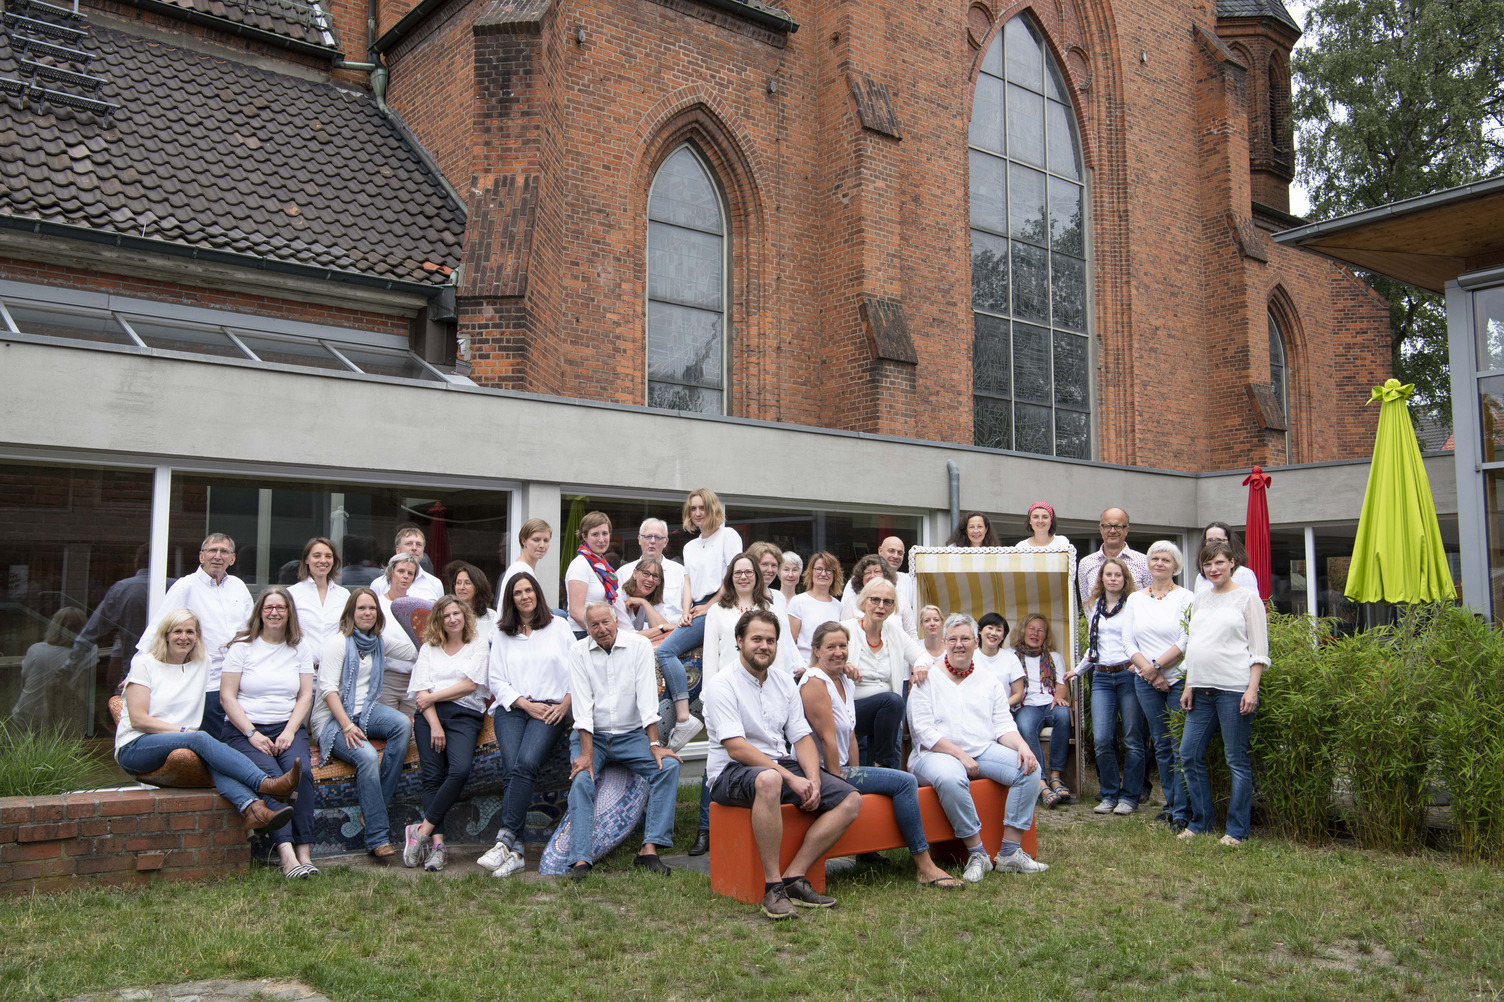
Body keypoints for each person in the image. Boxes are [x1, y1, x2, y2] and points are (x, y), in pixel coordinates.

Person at [703, 609, 863, 919]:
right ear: (739, 641)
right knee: (769, 780)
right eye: (756, 639)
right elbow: (736, 747)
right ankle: (772, 888)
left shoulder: (784, 681)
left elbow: (801, 736)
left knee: (850, 799)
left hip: (778, 765)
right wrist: (791, 779)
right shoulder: (721, 684)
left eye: (770, 640)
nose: (764, 646)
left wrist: (814, 780)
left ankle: (794, 877)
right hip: (729, 773)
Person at [799, 622, 962, 888]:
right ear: (816, 650)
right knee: (904, 781)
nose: (839, 652)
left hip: (841, 768)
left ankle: (881, 851)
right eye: (831, 647)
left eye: (843, 646)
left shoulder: (842, 679)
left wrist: (855, 771)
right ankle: (924, 866)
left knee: (896, 779)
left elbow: (850, 735)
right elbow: (827, 739)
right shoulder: (815, 682)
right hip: (822, 770)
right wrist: (841, 782)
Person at [117, 610, 301, 833]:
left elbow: (237, 664)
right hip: (136, 747)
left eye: (190, 632)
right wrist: (183, 731)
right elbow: (138, 720)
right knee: (201, 738)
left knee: (214, 759)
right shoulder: (145, 664)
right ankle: (267, 785)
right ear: (166, 635)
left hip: (182, 744)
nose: (183, 637)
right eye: (177, 631)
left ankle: (253, 810)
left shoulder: (202, 663)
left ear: (197, 637)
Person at [906, 613, 1049, 881]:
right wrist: (960, 756)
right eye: (953, 639)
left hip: (981, 750)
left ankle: (1009, 853)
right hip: (934, 754)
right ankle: (978, 853)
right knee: (951, 776)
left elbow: (1003, 725)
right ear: (945, 642)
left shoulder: (988, 679)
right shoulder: (926, 678)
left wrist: (1023, 747)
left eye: (965, 639)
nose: (959, 644)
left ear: (975, 642)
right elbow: (923, 732)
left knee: (1030, 769)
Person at [563, 602, 683, 880]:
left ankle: (649, 850)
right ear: (587, 628)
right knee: (582, 779)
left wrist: (654, 745)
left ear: (616, 620)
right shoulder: (578, 652)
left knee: (668, 767)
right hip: (593, 735)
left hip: (630, 735)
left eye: (606, 622)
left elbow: (647, 698)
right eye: (594, 625)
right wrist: (586, 754)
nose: (602, 629)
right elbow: (582, 707)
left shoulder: (638, 647)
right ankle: (581, 860)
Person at [481, 570, 576, 877]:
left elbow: (579, 668)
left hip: (550, 709)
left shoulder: (558, 627)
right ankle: (516, 850)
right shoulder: (502, 633)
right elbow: (495, 678)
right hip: (513, 707)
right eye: (517, 593)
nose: (524, 597)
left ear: (537, 593)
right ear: (511, 600)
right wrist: (524, 704)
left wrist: (565, 702)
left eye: (528, 591)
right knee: (512, 769)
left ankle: (505, 838)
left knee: (525, 763)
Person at [219, 586, 318, 877]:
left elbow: (305, 696)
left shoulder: (301, 647)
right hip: (244, 731)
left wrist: (289, 731)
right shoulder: (242, 647)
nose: (274, 613)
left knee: (303, 775)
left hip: (287, 728)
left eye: (281, 608)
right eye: (269, 608)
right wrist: (252, 733)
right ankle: (287, 856)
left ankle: (305, 853)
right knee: (274, 779)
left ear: (289, 614)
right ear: (260, 612)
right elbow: (227, 697)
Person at [312, 587, 417, 859]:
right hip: (333, 719)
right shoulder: (338, 642)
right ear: (351, 613)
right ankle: (377, 836)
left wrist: (425, 621)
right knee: (368, 755)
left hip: (367, 712)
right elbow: (327, 690)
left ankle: (374, 805)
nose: (367, 613)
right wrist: (347, 725)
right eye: (361, 608)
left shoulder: (379, 643)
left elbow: (416, 650)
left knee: (403, 725)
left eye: (372, 608)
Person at [1179, 540, 1269, 846]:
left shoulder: (1247, 599)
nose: (1213, 569)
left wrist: (1252, 690)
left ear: (1232, 562)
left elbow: (1259, 650)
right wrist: (1190, 683)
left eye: (1219, 562)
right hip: (1200, 690)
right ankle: (1202, 822)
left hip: (1234, 690)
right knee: (1189, 754)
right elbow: (1194, 643)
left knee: (1236, 760)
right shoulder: (1201, 599)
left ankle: (1237, 831)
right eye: (1207, 564)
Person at [403, 595, 490, 872]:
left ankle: (421, 831)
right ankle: (438, 847)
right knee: (432, 776)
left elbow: (469, 685)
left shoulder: (477, 645)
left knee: (460, 769)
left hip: (465, 715)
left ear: (465, 615)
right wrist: (435, 723)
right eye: (446, 615)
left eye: (456, 613)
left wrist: (433, 698)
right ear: (439, 620)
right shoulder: (429, 648)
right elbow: (420, 692)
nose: (452, 619)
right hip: (430, 718)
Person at [137, 533, 253, 738]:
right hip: (206, 679)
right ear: (201, 556)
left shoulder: (239, 587)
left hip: (239, 676)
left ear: (232, 559)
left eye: (224, 551)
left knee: (237, 736)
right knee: (212, 736)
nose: (218, 556)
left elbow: (251, 629)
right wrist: (137, 668)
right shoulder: (186, 586)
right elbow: (159, 627)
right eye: (212, 551)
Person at [656, 489, 744, 739]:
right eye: (692, 509)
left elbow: (733, 575)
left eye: (701, 508)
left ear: (713, 508)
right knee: (664, 650)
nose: (697, 513)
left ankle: (684, 719)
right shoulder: (691, 546)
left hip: (722, 602)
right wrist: (685, 612)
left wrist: (710, 605)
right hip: (696, 607)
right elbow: (688, 583)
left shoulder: (728, 535)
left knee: (665, 650)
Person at [1064, 556, 1146, 815]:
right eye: (1108, 575)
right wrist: (1076, 671)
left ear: (1125, 579)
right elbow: (1094, 647)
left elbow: (1140, 639)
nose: (1112, 579)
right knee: (1101, 738)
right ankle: (1109, 794)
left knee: (1133, 738)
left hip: (1128, 675)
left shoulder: (1134, 604)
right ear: (1101, 579)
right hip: (1100, 677)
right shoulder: (1093, 606)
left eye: (1117, 575)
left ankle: (1130, 796)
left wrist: (1139, 664)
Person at [1126, 541, 1195, 831]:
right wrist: (1150, 673)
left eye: (1166, 559)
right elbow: (1129, 642)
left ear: (1175, 566)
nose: (1159, 563)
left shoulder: (1187, 598)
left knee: (1179, 746)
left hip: (1178, 679)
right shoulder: (1135, 599)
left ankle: (1183, 810)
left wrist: (1156, 668)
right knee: (1162, 746)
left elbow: (1185, 640)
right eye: (1155, 558)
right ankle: (1169, 805)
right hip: (1145, 681)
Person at [616, 517, 698, 747]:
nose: (652, 541)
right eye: (648, 537)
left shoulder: (681, 573)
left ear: (666, 542)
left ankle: (662, 744)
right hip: (635, 651)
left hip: (675, 650)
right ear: (639, 540)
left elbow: (684, 617)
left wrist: (648, 609)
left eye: (658, 537)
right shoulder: (623, 573)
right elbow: (622, 630)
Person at [840, 577, 936, 769]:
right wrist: (844, 665)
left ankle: (879, 771)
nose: (880, 606)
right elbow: (822, 659)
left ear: (893, 607)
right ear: (863, 602)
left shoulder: (894, 631)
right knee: (892, 701)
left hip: (884, 713)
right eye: (875, 600)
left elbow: (923, 657)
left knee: (890, 705)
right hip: (849, 708)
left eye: (888, 602)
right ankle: (882, 765)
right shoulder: (846, 629)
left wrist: (920, 667)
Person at [1003, 613, 1073, 808]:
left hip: (1049, 703)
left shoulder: (1054, 657)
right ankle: (1041, 782)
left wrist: (1059, 697)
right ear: (1023, 631)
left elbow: (1061, 685)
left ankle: (1056, 777)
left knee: (1063, 715)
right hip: (1026, 704)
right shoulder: (1010, 655)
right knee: (1024, 725)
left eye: (1040, 630)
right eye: (1031, 628)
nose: (1035, 633)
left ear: (1046, 635)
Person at [66, 543, 152, 699]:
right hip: (170, 677)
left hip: (132, 675)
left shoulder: (123, 589)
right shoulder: (176, 587)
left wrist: (68, 667)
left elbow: (91, 632)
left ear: (137, 561)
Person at [12, 608, 91, 730]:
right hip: (57, 718)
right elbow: (82, 693)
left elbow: (24, 680)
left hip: (26, 713)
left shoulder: (35, 649)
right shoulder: (82, 657)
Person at [376, 553, 428, 716]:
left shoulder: (417, 607)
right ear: (391, 572)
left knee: (412, 731)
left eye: (410, 573)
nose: (405, 576)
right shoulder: (376, 603)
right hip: (386, 678)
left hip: (413, 678)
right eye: (401, 571)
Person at [565, 511, 633, 634]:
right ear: (584, 536)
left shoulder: (601, 565)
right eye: (595, 534)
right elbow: (575, 612)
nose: (601, 539)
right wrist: (602, 633)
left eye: (605, 533)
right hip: (584, 634)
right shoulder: (580, 564)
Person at [746, 541, 807, 673]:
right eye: (764, 565)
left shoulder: (778, 597)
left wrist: (800, 663)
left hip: (786, 672)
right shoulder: (745, 598)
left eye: (774, 565)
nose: (770, 570)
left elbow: (787, 637)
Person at [288, 537, 351, 661]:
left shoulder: (344, 595)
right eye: (317, 556)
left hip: (335, 671)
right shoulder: (292, 594)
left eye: (328, 556)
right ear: (306, 559)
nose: (323, 561)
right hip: (301, 670)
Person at [1077, 507, 1150, 605]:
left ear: (1127, 530)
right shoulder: (1086, 563)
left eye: (1118, 526)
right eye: (1107, 526)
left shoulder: (1144, 562)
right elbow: (1087, 604)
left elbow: (1150, 600)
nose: (1112, 531)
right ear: (1100, 529)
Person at [840, 550, 917, 636]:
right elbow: (844, 635)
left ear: (886, 575)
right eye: (868, 572)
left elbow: (911, 633)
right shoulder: (852, 602)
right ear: (861, 578)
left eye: (877, 572)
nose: (872, 576)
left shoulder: (900, 599)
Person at [787, 551, 844, 663]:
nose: (823, 574)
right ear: (811, 572)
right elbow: (789, 642)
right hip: (803, 669)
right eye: (819, 569)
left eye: (828, 570)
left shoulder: (838, 606)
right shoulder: (798, 602)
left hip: (830, 669)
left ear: (834, 575)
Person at [370, 524, 444, 601]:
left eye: (418, 544)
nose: (414, 548)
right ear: (397, 550)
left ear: (423, 550)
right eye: (409, 544)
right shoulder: (379, 584)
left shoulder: (435, 584)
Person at [497, 518, 554, 607]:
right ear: (524, 541)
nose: (542, 545)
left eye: (546, 540)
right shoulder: (522, 569)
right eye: (536, 540)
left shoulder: (524, 567)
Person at [1193, 522, 1261, 592]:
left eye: (1219, 540)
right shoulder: (1201, 577)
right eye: (1210, 540)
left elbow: (1250, 601)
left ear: (1229, 542)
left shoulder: (1243, 574)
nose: (1214, 544)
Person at [973, 611, 1020, 705]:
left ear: (1003, 636)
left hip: (1004, 711)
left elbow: (1018, 693)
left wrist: (1000, 707)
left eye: (998, 630)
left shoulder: (1011, 658)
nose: (993, 633)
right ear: (980, 631)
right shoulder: (970, 656)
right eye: (990, 628)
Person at [446, 561, 497, 640]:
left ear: (478, 586)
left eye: (467, 583)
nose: (461, 587)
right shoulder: (448, 615)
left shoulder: (491, 616)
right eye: (458, 583)